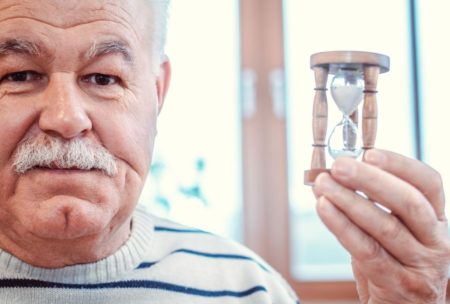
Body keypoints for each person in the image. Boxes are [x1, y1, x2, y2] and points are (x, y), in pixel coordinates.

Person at [0, 1, 447, 303]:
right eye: (19, 75)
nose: (65, 117)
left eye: (103, 79)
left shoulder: (252, 289)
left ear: (158, 95)